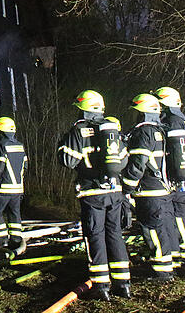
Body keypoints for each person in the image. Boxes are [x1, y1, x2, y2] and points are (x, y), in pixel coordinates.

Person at [58, 90, 130, 301]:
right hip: (115, 192)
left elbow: (67, 161)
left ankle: (101, 286)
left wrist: (65, 144)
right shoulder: (112, 129)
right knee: (115, 234)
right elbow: (124, 160)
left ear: (83, 108)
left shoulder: (79, 130)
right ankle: (123, 284)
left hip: (92, 193)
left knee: (95, 236)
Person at [123, 93, 177, 281]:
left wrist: (127, 187)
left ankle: (162, 272)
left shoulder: (143, 132)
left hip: (149, 190)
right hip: (163, 189)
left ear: (142, 113)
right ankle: (168, 266)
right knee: (164, 228)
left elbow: (139, 163)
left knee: (152, 228)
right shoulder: (160, 130)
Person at [154, 87, 185, 266]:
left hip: (180, 177)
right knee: (181, 213)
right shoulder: (182, 120)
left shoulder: (173, 122)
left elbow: (174, 151)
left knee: (179, 213)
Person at [0, 116, 27, 249]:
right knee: (14, 214)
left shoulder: (1, 146)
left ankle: (1, 240)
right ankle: (16, 240)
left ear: (1, 131)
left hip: (3, 189)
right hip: (18, 189)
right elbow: (25, 166)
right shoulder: (20, 146)